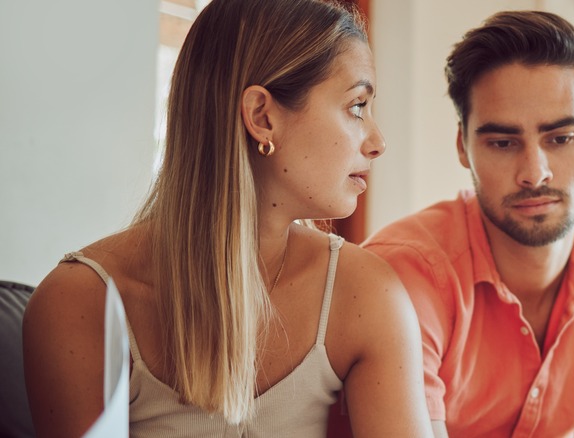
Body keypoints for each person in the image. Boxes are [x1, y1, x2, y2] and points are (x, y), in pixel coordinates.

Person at [22, 0, 432, 437]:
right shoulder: (81, 305)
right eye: (356, 106)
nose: (377, 141)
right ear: (261, 116)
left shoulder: (365, 295)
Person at [361, 10, 574, 437]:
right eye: (503, 142)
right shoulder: (403, 278)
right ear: (463, 147)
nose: (534, 173)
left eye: (560, 139)